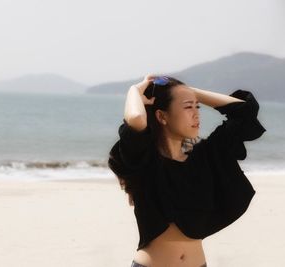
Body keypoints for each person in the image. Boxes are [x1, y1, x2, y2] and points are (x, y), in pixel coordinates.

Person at [108, 74, 267, 267]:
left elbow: (244, 111)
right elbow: (136, 117)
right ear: (161, 116)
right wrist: (135, 90)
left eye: (197, 106)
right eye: (188, 107)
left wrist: (189, 93)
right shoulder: (145, 158)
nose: (196, 113)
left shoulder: (206, 156)